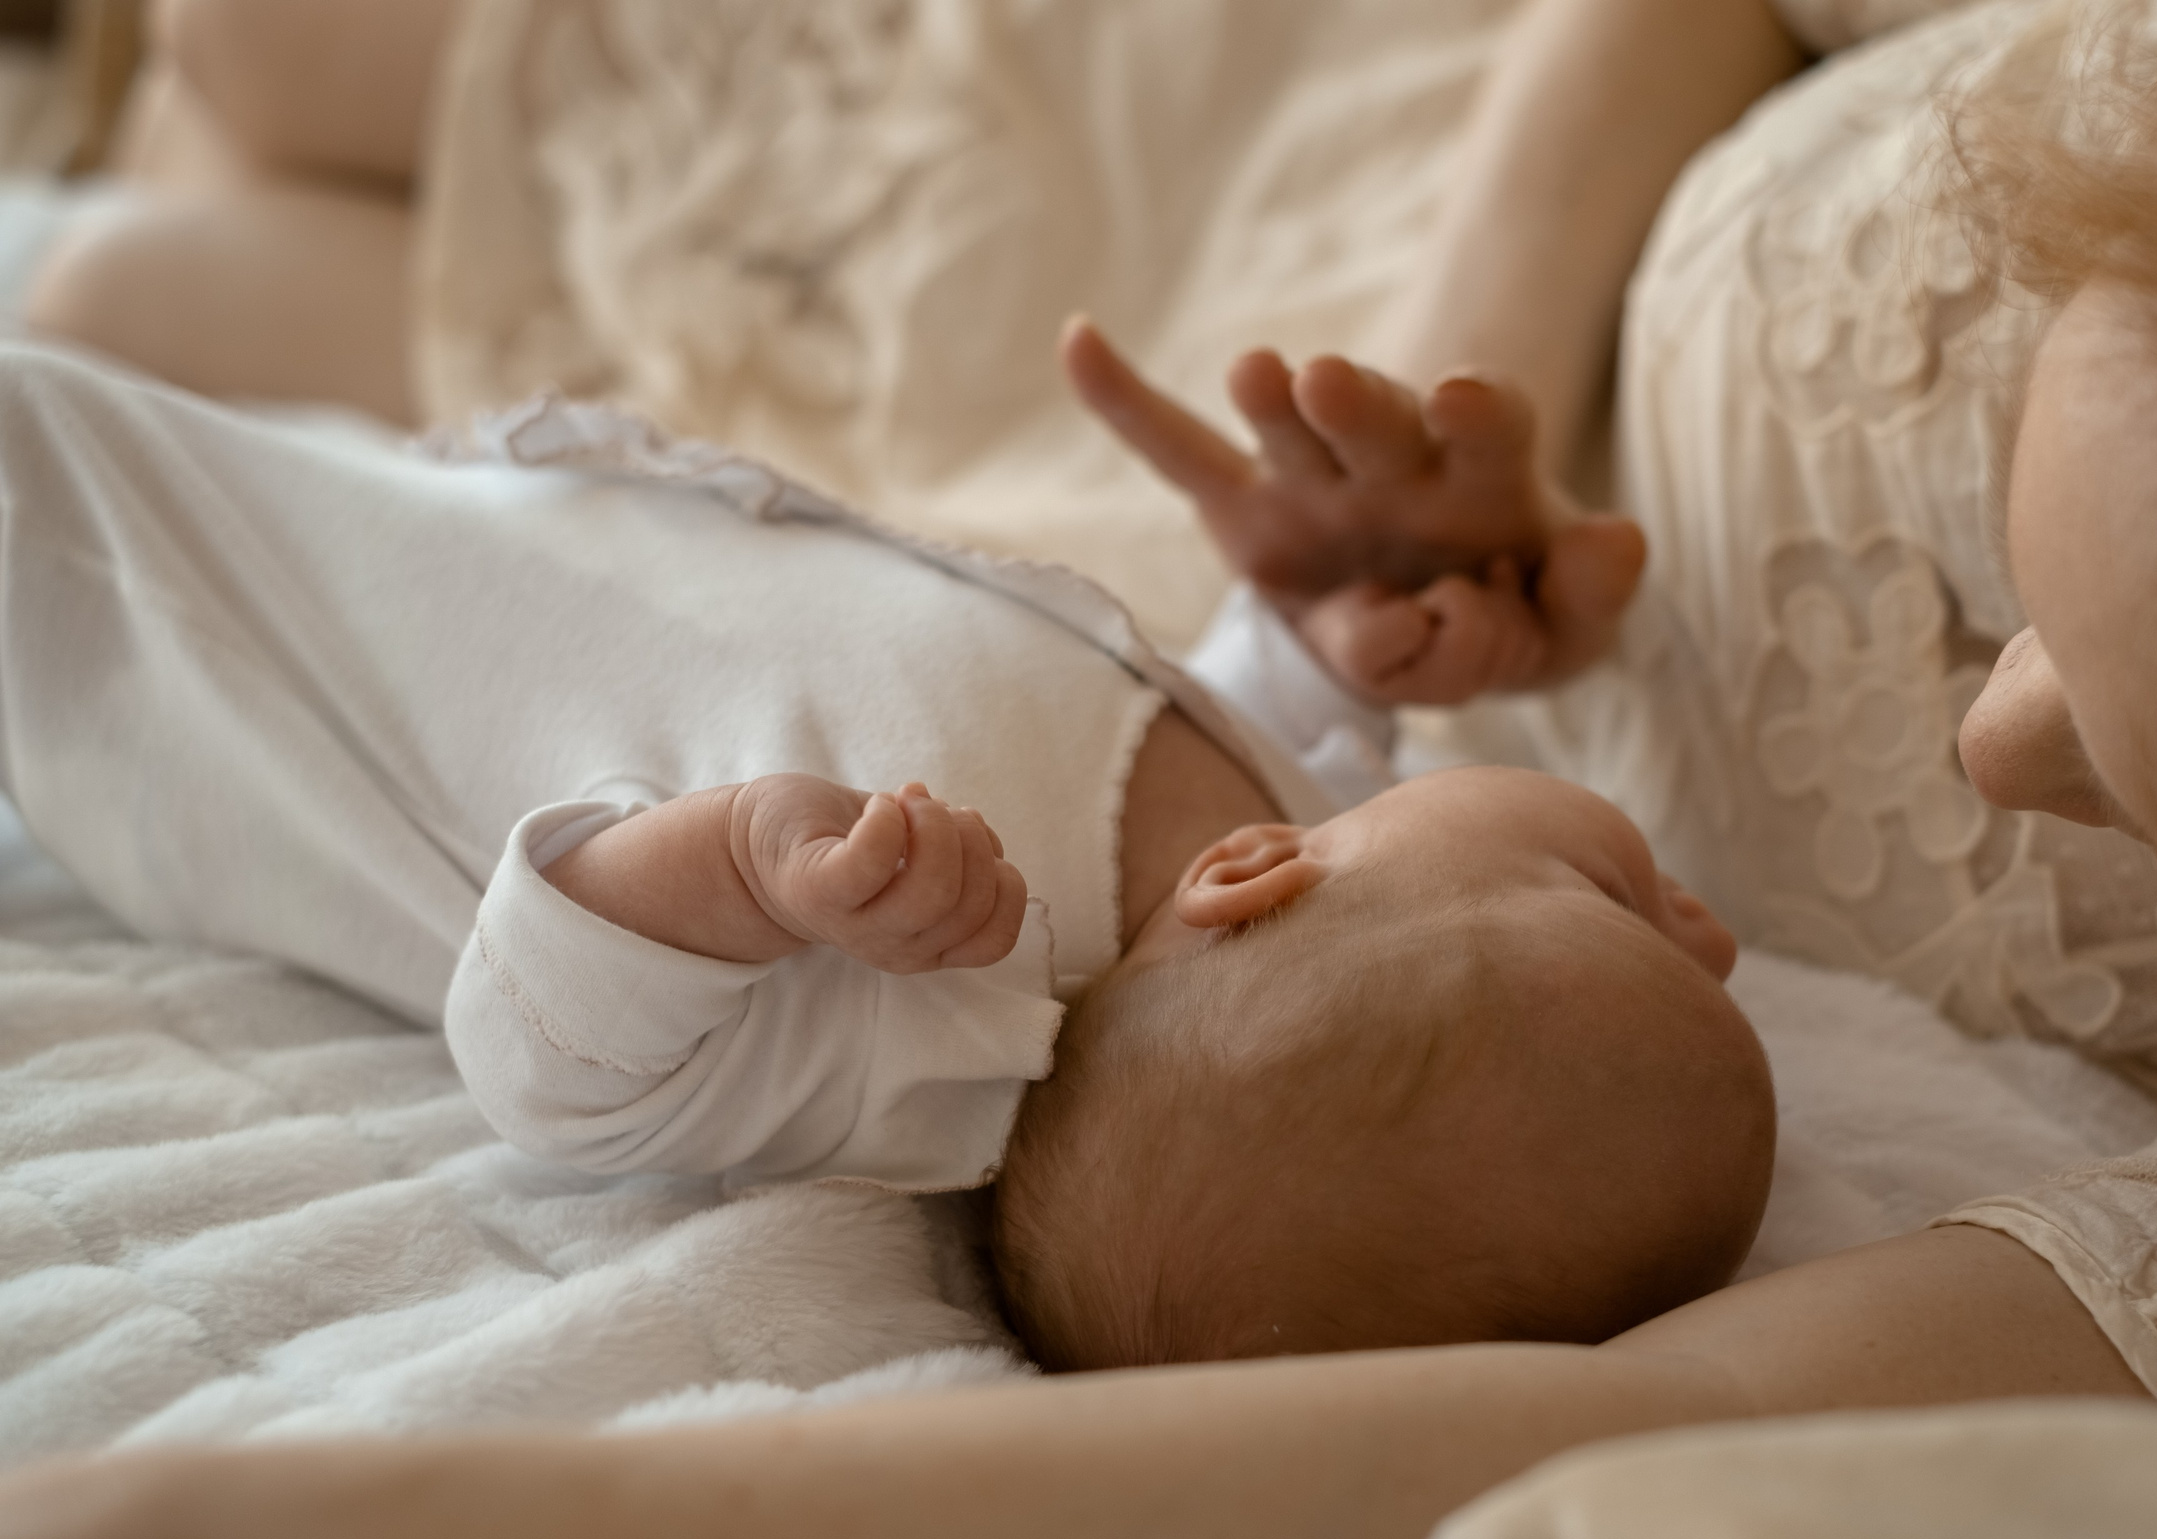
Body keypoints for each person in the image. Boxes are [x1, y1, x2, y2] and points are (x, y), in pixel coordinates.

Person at [4, 0, 2157, 1539]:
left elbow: (1507, 1478)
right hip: (1277, 295)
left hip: (965, 577)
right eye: (2038, 579)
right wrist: (1463, 406)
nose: (1993, 736)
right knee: (253, 55)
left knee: (127, 273)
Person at [0, 344, 1772, 1374]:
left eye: (1630, 911)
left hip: (208, 667)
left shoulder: (947, 1025)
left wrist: (735, 877)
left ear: (1259, 888)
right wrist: (1321, 651)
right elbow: (1198, 724)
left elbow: (556, 1074)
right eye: (1645, 913)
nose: (1712, 933)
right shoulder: (1281, 785)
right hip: (420, 515)